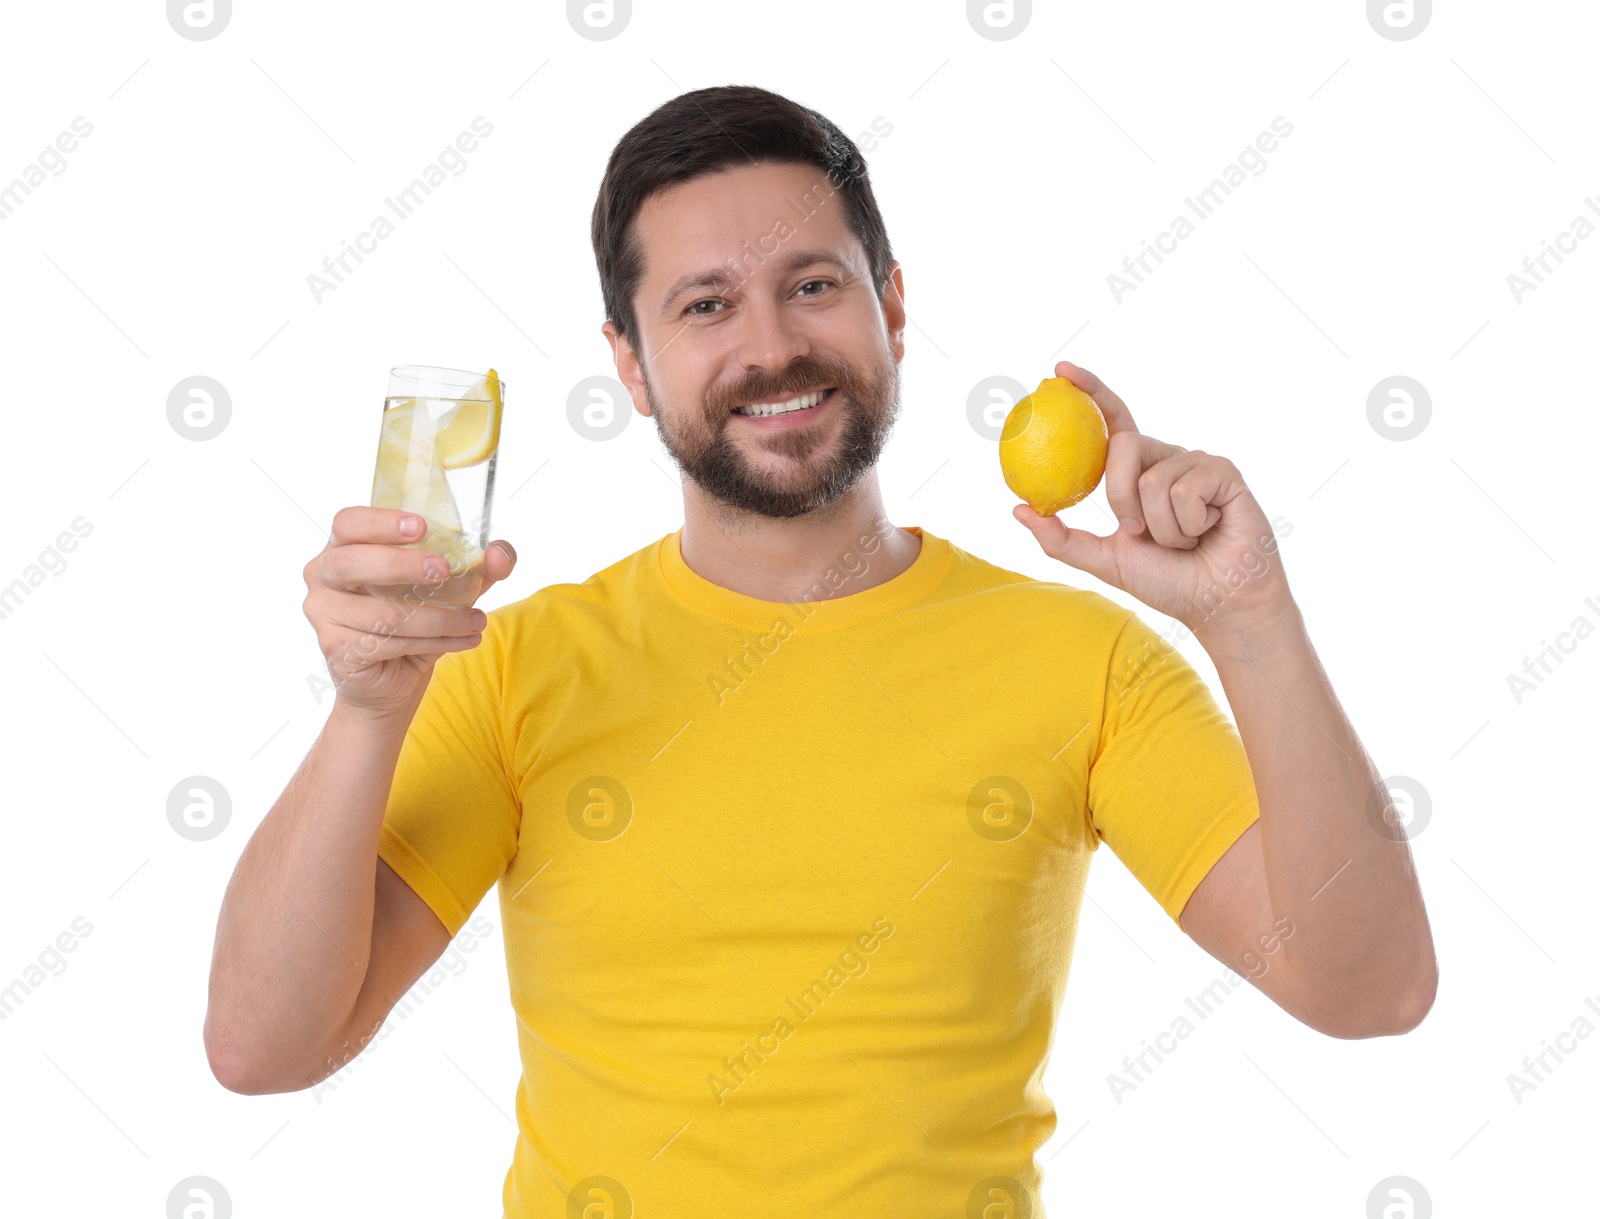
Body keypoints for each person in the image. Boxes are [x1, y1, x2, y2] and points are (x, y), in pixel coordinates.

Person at [204, 84, 1437, 1216]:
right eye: (703, 305)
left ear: (891, 306)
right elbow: (264, 1049)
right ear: (629, 365)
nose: (771, 347)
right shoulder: (513, 662)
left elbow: (1366, 989)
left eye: (812, 284)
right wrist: (367, 715)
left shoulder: (1083, 663)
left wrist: (1249, 618)